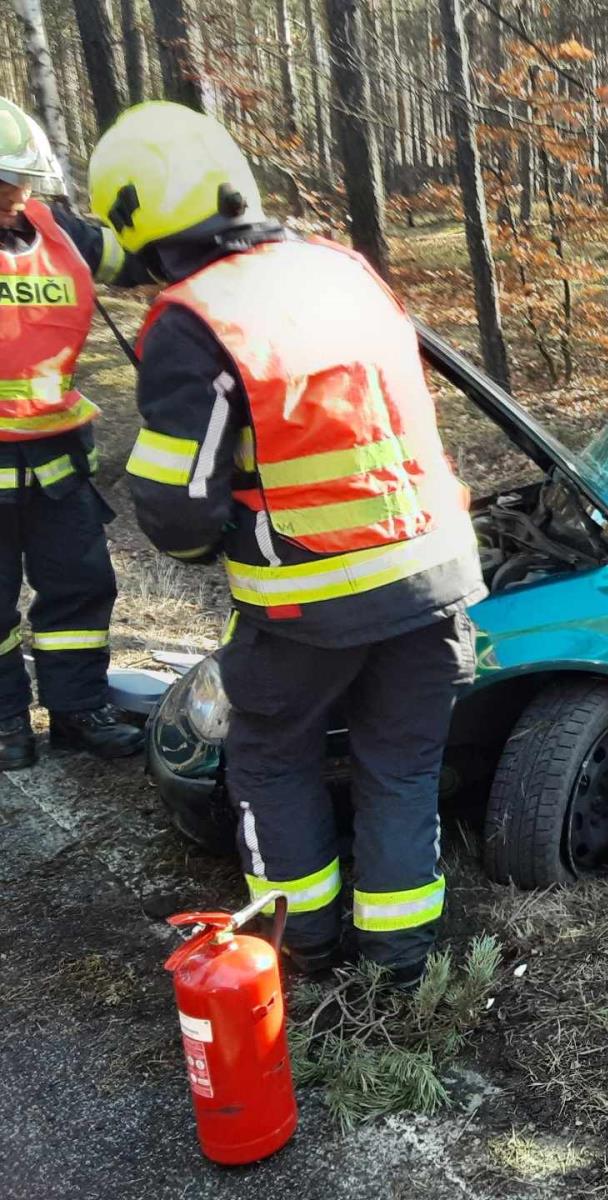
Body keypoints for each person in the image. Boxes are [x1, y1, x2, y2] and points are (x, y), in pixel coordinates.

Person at [88, 102, 485, 984]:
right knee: (400, 768)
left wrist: (221, 542)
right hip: (437, 576)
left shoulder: (194, 318)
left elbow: (176, 509)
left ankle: (301, 951)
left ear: (136, 217)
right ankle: (399, 968)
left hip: (309, 605)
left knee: (270, 761)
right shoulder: (339, 267)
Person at [0, 99, 148, 767]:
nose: (17, 197)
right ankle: (5, 723)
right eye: (5, 184)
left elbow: (149, 255)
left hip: (58, 456)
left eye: (23, 182)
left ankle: (77, 711)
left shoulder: (58, 232)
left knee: (81, 588)